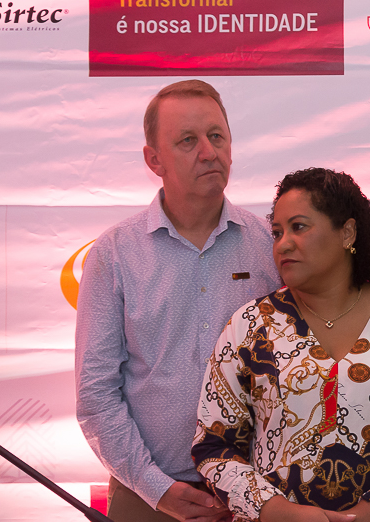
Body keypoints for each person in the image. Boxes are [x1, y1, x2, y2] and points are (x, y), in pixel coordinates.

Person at [191, 168, 370, 522]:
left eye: (299, 227)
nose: (283, 243)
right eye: (277, 232)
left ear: (347, 232)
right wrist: (275, 511)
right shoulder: (250, 325)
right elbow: (213, 445)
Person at [75, 80, 280, 522]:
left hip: (260, 494)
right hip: (146, 494)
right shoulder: (114, 254)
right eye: (188, 140)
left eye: (216, 136)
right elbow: (96, 395)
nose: (208, 152)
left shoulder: (271, 246)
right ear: (154, 160)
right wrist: (157, 489)